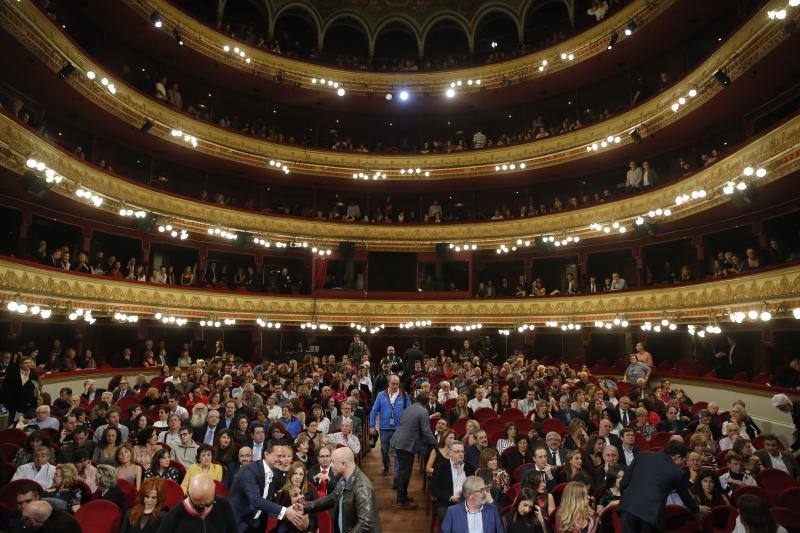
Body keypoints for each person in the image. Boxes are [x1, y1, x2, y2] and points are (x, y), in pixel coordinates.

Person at [618, 441, 703, 531]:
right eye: (684, 461)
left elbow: (623, 483)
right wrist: (697, 510)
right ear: (677, 457)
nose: (683, 465)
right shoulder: (677, 472)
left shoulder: (641, 455)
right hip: (651, 515)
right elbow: (686, 498)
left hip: (628, 508)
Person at [228, 442, 304, 532]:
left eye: (283, 457)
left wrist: (290, 508)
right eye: (278, 456)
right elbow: (256, 500)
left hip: (257, 524)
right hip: (239, 523)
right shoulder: (249, 471)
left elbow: (269, 500)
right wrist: (285, 511)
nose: (281, 460)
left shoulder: (273, 472)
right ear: (266, 454)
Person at [302, 447, 381, 533]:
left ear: (343, 464)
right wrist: (304, 508)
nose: (330, 465)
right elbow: (333, 498)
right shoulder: (344, 479)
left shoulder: (362, 487)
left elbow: (365, 524)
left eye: (333, 462)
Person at [158, 473, 238, 532]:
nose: (204, 509)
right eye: (198, 506)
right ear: (188, 494)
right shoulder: (174, 515)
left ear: (214, 489)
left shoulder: (223, 504)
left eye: (208, 504)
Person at [369, 374, 409, 483]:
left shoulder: (404, 395)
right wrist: (372, 426)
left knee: (397, 453)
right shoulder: (381, 395)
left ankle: (396, 477)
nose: (395, 386)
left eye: (397, 384)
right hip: (384, 428)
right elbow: (373, 411)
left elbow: (409, 411)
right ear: (388, 383)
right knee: (384, 450)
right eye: (393, 384)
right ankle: (386, 466)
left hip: (399, 429)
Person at [431, 440, 475, 521]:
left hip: (466, 503)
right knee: (449, 516)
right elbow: (434, 489)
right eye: (457, 452)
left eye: (462, 451)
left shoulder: (469, 468)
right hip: (446, 503)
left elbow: (473, 487)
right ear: (450, 453)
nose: (461, 454)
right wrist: (450, 497)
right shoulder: (440, 467)